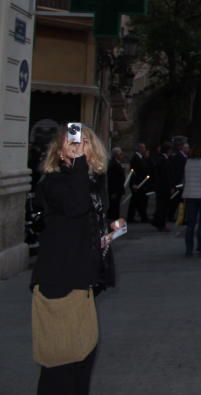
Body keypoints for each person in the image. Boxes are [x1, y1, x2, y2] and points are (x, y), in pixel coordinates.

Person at [31, 123, 116, 394]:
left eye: (86, 143)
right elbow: (75, 206)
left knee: (82, 359)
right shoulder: (54, 182)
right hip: (60, 285)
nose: (82, 148)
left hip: (80, 284)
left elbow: (78, 225)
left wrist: (108, 233)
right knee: (61, 365)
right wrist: (78, 162)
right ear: (60, 151)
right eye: (74, 144)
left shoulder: (87, 181)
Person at [150, 141, 172, 231]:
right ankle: (161, 223)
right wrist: (170, 186)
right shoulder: (163, 160)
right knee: (163, 206)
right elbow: (165, 175)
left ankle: (158, 221)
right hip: (163, 187)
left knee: (161, 205)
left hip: (161, 186)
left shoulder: (160, 159)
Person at [126, 143, 150, 223]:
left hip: (141, 183)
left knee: (139, 200)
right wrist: (133, 183)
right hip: (137, 183)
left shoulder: (141, 157)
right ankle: (133, 217)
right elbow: (133, 172)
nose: (144, 150)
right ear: (139, 148)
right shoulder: (135, 158)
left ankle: (142, 216)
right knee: (136, 201)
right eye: (143, 148)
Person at [106, 147, 126, 222]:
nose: (122, 155)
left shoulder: (117, 163)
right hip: (115, 190)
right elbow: (112, 179)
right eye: (120, 154)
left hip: (118, 189)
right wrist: (114, 191)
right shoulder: (113, 164)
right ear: (116, 155)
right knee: (114, 207)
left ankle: (114, 220)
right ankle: (112, 221)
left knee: (116, 206)